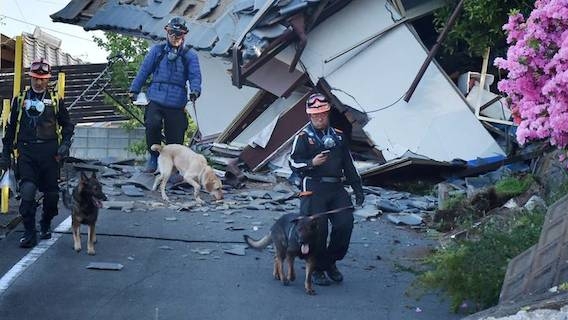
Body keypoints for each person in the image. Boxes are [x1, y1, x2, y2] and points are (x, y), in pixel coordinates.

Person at [289, 92, 364, 286]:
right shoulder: (303, 137)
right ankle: (317, 268)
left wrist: (357, 188)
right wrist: (311, 163)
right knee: (318, 229)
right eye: (315, 115)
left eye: (322, 113)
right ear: (310, 116)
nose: (319, 117)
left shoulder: (338, 136)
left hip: (336, 186)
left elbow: (348, 164)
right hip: (313, 186)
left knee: (345, 224)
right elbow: (292, 162)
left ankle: (330, 261)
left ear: (328, 113)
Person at [0, 58, 74, 248]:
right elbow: (10, 129)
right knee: (27, 191)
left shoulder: (56, 99)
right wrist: (5, 153)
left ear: (48, 79)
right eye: (35, 78)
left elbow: (68, 125)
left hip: (50, 153)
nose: (39, 82)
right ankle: (29, 232)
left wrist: (65, 145)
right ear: (30, 77)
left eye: (43, 78)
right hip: (26, 151)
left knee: (51, 197)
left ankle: (46, 223)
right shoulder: (20, 99)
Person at [129, 16, 202, 173]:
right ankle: (154, 158)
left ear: (184, 36)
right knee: (152, 124)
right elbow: (144, 71)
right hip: (156, 97)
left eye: (179, 35)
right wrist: (134, 89)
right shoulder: (157, 51)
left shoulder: (190, 55)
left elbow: (195, 76)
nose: (175, 37)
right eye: (172, 34)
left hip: (177, 102)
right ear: (167, 33)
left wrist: (195, 90)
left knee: (175, 136)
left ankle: (174, 166)